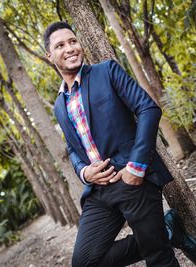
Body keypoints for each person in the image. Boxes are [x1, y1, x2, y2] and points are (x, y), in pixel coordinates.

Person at [43, 21, 181, 267]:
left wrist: (135, 167)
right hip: (99, 192)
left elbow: (148, 108)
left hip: (132, 179)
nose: (70, 48)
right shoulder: (58, 105)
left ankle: (158, 238)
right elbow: (73, 149)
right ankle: (166, 232)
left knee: (158, 259)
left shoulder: (106, 71)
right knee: (84, 262)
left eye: (73, 41)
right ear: (49, 55)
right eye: (60, 45)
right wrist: (84, 172)